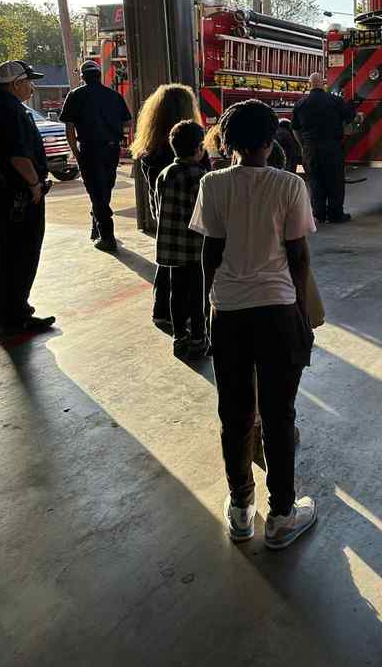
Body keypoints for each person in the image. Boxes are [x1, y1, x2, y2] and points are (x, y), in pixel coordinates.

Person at [190, 99, 317, 550]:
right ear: (270, 142)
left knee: (235, 411)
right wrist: (301, 313)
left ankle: (241, 507)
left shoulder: (213, 183)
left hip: (230, 311)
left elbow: (211, 253)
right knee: (279, 415)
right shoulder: (288, 185)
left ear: (226, 142)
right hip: (278, 308)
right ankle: (282, 514)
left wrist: (212, 304)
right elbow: (298, 256)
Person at [0, 61, 55, 335]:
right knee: (21, 253)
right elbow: (18, 155)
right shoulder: (8, 110)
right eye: (29, 81)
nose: (33, 86)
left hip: (1, 194)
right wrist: (34, 185)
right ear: (17, 84)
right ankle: (15, 314)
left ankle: (7, 311)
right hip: (15, 196)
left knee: (7, 252)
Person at [131, 84, 206, 328]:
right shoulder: (194, 150)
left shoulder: (150, 149)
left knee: (167, 264)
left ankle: (162, 310)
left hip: (164, 216)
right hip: (191, 221)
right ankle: (192, 323)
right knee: (192, 276)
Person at [59, 59, 131, 253]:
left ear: (82, 77)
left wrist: (76, 153)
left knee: (97, 192)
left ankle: (107, 237)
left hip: (89, 150)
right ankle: (97, 228)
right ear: (99, 76)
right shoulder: (114, 96)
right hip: (112, 149)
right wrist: (116, 136)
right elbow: (127, 123)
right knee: (104, 188)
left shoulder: (75, 96)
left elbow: (69, 128)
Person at [154, 120, 210, 359]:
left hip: (171, 248)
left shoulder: (165, 174)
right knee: (198, 295)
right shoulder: (200, 177)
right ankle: (199, 337)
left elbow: (157, 208)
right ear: (198, 148)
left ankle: (180, 337)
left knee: (176, 293)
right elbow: (205, 217)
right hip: (195, 249)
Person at [291, 72, 354, 224]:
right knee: (335, 181)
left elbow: (295, 129)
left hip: (310, 148)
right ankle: (335, 214)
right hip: (331, 147)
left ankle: (318, 215)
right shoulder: (335, 101)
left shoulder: (300, 104)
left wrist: (303, 145)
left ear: (309, 84)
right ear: (323, 84)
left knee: (315, 181)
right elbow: (350, 116)